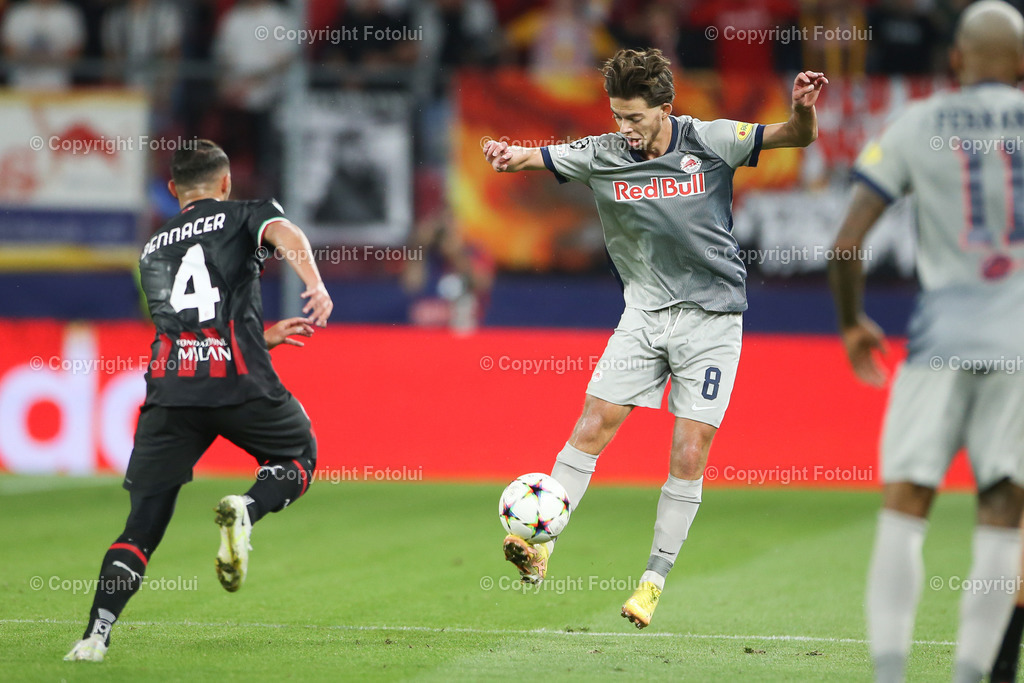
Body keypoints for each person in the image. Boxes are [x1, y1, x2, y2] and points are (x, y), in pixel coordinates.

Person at [483, 47, 826, 628]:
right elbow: (531, 157)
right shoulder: (603, 152)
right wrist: (503, 153)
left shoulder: (712, 139)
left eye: (635, 118)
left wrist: (803, 109)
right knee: (592, 424)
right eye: (617, 116)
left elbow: (795, 136)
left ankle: (653, 581)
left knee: (689, 451)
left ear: (665, 108)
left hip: (712, 322)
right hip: (642, 316)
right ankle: (540, 547)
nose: (625, 129)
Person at [64, 140, 333, 662]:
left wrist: (262, 333)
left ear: (172, 191)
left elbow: (187, 320)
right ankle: (247, 511)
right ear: (226, 182)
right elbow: (285, 233)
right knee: (298, 456)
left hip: (172, 391)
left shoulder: (150, 249)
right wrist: (315, 284)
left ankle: (94, 636)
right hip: (239, 383)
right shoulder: (246, 213)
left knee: (141, 527)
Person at [827, 3, 1024, 681]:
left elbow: (846, 243)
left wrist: (853, 322)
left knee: (907, 501)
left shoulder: (918, 124)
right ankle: (971, 673)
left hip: (940, 339)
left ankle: (889, 673)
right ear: (1023, 65)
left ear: (956, 61)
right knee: (1003, 508)